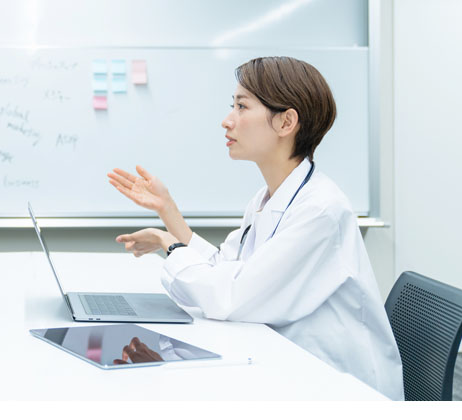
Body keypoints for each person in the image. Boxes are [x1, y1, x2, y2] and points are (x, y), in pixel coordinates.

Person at [107, 56, 404, 400]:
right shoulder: (268, 198)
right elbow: (225, 268)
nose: (227, 120)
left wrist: (170, 245)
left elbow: (231, 298)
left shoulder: (320, 211)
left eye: (241, 106)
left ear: (286, 122)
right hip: (288, 368)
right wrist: (167, 212)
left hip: (337, 391)